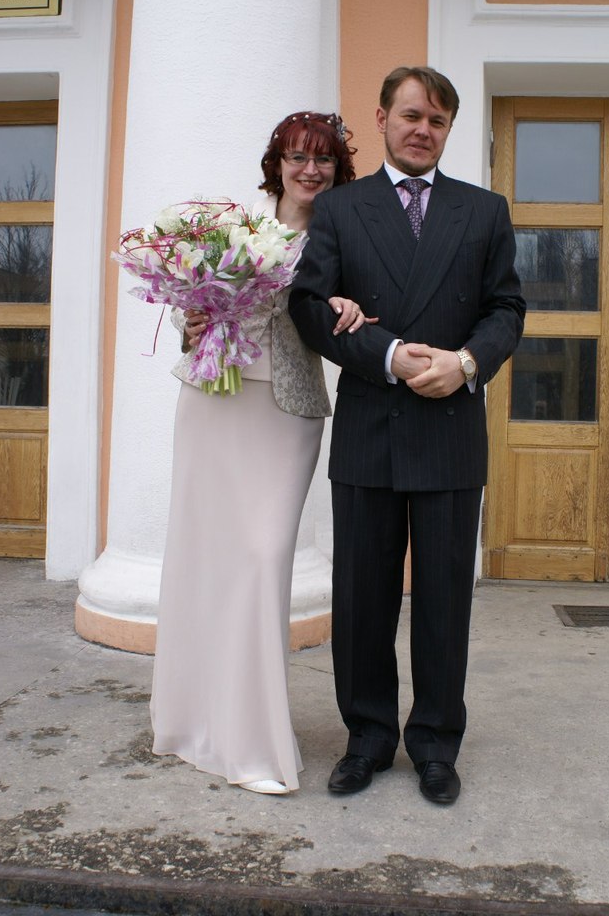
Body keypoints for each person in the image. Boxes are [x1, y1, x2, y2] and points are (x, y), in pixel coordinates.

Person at [288, 67, 526, 804]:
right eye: (412, 115)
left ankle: (434, 745)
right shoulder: (340, 208)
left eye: (438, 120)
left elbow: (506, 309)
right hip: (371, 426)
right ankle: (366, 738)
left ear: (448, 130)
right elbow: (309, 306)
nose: (424, 129)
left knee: (444, 601)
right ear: (383, 119)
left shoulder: (483, 210)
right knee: (361, 599)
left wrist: (465, 363)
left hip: (451, 430)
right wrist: (388, 354)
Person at [150, 111, 366, 795]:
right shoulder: (235, 224)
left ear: (337, 169)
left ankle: (252, 742)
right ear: (277, 164)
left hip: (287, 411)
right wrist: (191, 321)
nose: (310, 169)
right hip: (212, 401)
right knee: (203, 556)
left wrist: (350, 308)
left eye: (323, 159)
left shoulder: (344, 234)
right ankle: (192, 724)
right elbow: (193, 307)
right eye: (298, 157)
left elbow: (360, 305)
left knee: (262, 558)